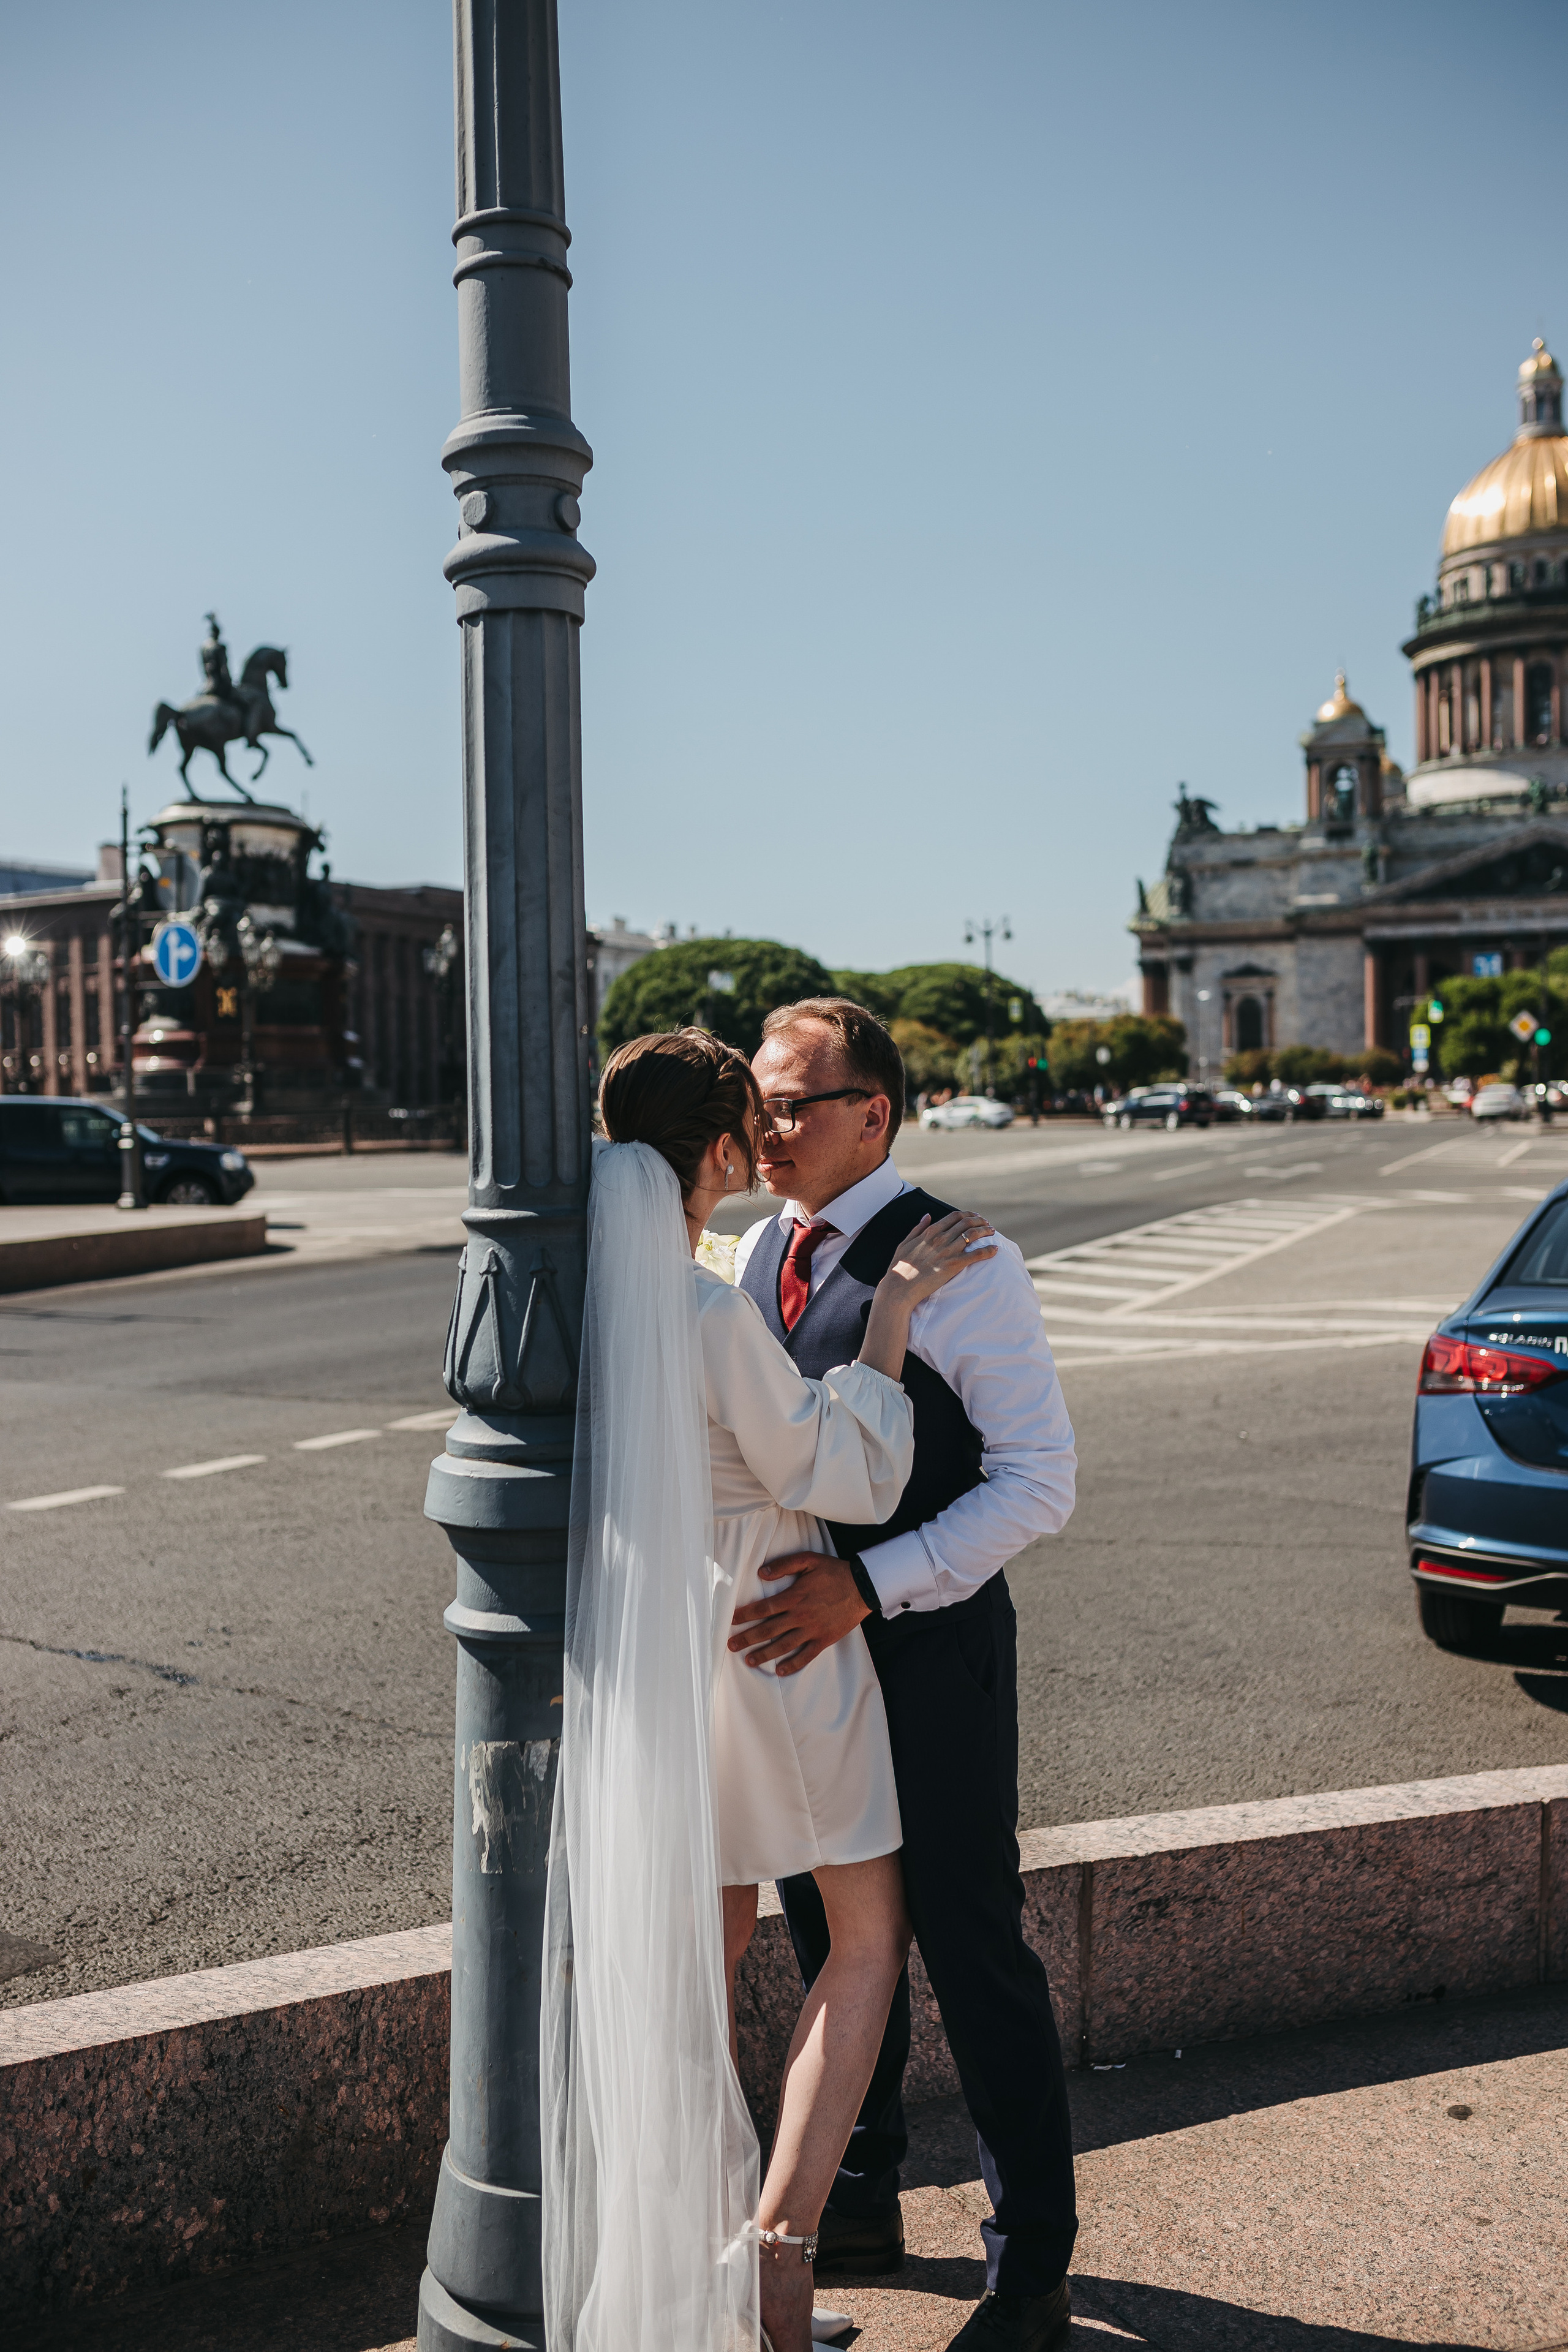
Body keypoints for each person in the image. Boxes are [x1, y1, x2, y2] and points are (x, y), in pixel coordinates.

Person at [541, 1027, 996, 2352]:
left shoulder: (598, 1286)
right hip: (774, 1629)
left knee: (698, 1950)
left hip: (670, 1635)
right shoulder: (702, 1303)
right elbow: (839, 1476)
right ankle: (777, 2254)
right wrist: (893, 1324)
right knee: (864, 1934)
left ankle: (666, 2255)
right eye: (758, 1124)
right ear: (727, 1151)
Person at [729, 997, 1079, 2352]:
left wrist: (867, 1586)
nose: (766, 1127)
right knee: (827, 1939)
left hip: (924, 1655)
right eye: (756, 1103)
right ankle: (859, 2197)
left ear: (871, 1112)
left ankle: (1029, 2264)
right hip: (799, 1669)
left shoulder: (960, 1259)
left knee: (968, 1945)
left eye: (793, 1104)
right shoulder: (757, 1249)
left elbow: (1040, 1483)